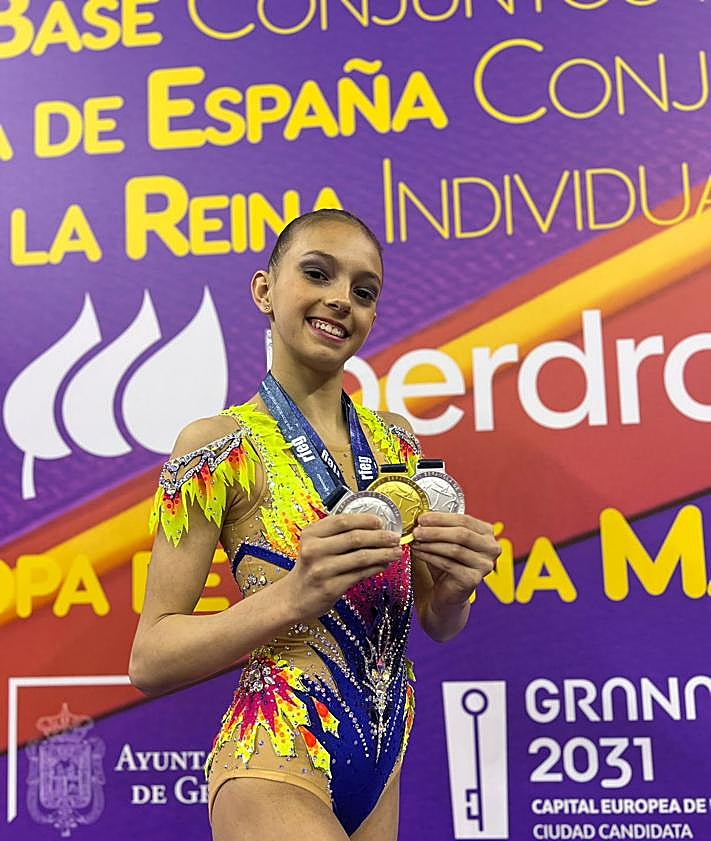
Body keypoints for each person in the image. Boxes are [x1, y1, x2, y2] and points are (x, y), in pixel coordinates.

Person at [129, 209, 501, 841]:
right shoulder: (217, 447)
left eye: (363, 291)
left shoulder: (400, 448)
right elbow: (150, 659)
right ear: (264, 290)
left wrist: (457, 589)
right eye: (316, 273)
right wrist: (297, 595)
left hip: (382, 768)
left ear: (373, 317)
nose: (340, 300)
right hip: (273, 761)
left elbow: (438, 625)